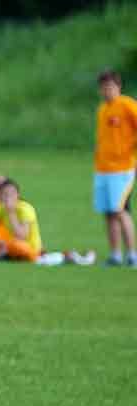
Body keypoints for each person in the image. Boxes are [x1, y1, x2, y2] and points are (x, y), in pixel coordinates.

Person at [93, 69, 137, 266]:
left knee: (120, 210)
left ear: (118, 87)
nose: (107, 91)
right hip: (103, 169)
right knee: (109, 213)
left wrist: (129, 151)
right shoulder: (102, 109)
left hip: (122, 168)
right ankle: (115, 255)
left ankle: (132, 255)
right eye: (103, 87)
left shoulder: (128, 105)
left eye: (110, 86)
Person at [0, 178, 43, 262]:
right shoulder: (1, 208)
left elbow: (22, 236)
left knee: (15, 244)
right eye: (5, 194)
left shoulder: (25, 209)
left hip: (31, 249)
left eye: (12, 194)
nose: (8, 198)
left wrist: (11, 213)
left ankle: (3, 254)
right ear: (1, 196)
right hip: (12, 245)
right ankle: (5, 253)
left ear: (18, 195)